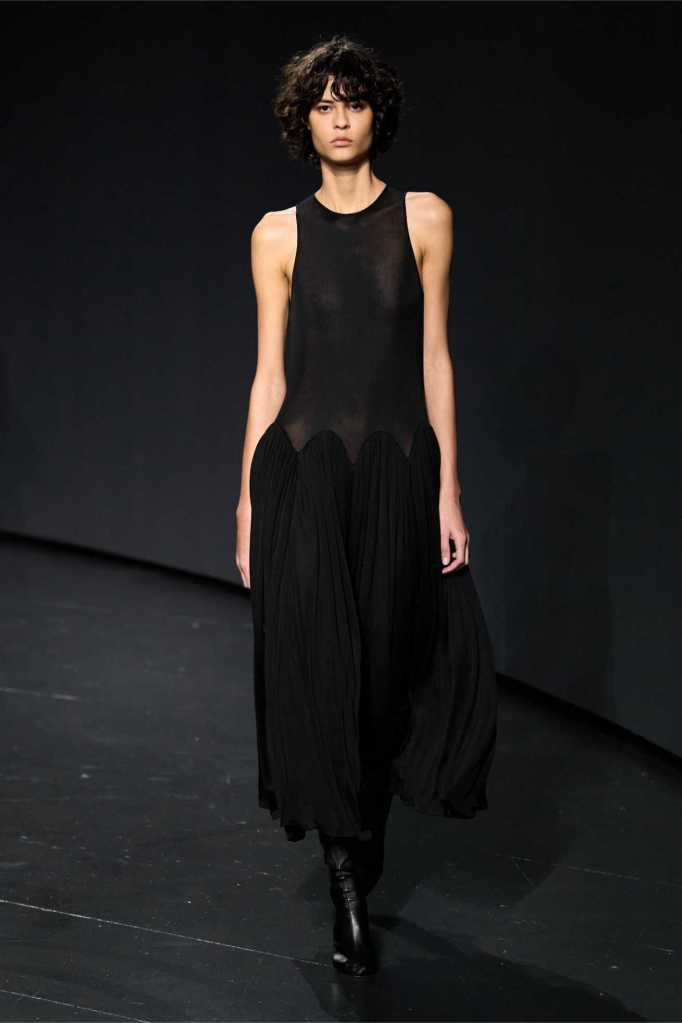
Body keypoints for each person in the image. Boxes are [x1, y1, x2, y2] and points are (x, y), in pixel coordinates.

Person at [235, 34, 498, 976]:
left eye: (353, 101)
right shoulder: (277, 233)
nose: (339, 118)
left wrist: (449, 491)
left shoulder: (425, 218)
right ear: (302, 122)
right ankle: (345, 875)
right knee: (321, 672)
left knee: (387, 676)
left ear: (377, 113)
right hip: (304, 477)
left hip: (395, 475)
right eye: (322, 104)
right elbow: (270, 375)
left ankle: (365, 835)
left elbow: (435, 359)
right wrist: (246, 503)